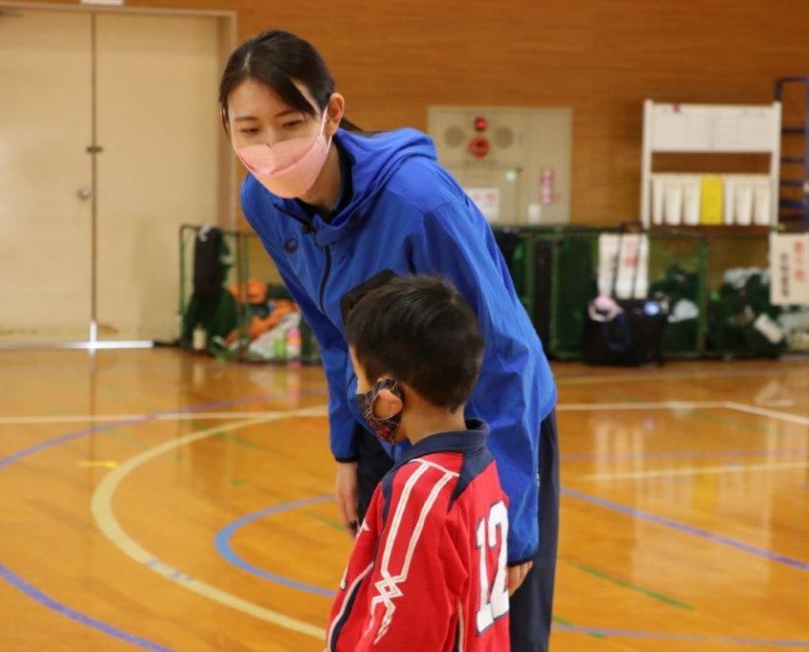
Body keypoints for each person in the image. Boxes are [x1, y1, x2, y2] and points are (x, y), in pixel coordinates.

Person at [220, 30, 559, 650]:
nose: (270, 147)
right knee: (401, 619)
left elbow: (505, 354)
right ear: (228, 129)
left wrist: (512, 524)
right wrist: (347, 452)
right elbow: (330, 333)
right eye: (250, 130)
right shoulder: (263, 201)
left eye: (290, 122)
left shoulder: (418, 202)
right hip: (385, 418)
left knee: (501, 630)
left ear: (332, 113)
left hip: (488, 429)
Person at [327, 274, 509, 650]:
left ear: (390, 396)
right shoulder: (482, 466)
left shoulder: (419, 489)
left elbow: (403, 628)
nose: (358, 394)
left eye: (361, 380)